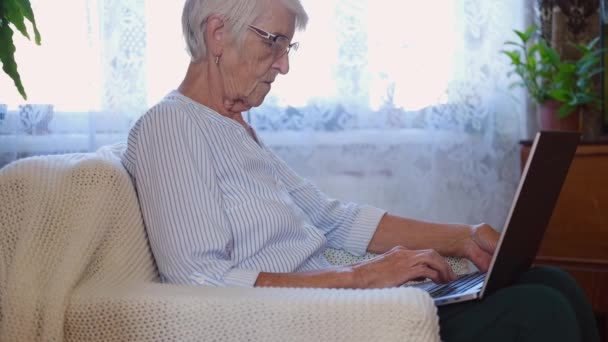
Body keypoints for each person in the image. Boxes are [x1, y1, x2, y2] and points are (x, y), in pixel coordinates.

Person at [121, 0, 600, 341]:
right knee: (540, 310)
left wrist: (464, 236)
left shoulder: (234, 127)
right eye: (274, 42)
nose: (284, 65)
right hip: (318, 318)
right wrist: (358, 278)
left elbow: (333, 218)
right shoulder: (171, 126)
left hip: (344, 298)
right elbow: (199, 279)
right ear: (217, 32)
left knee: (553, 283)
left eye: (290, 46)